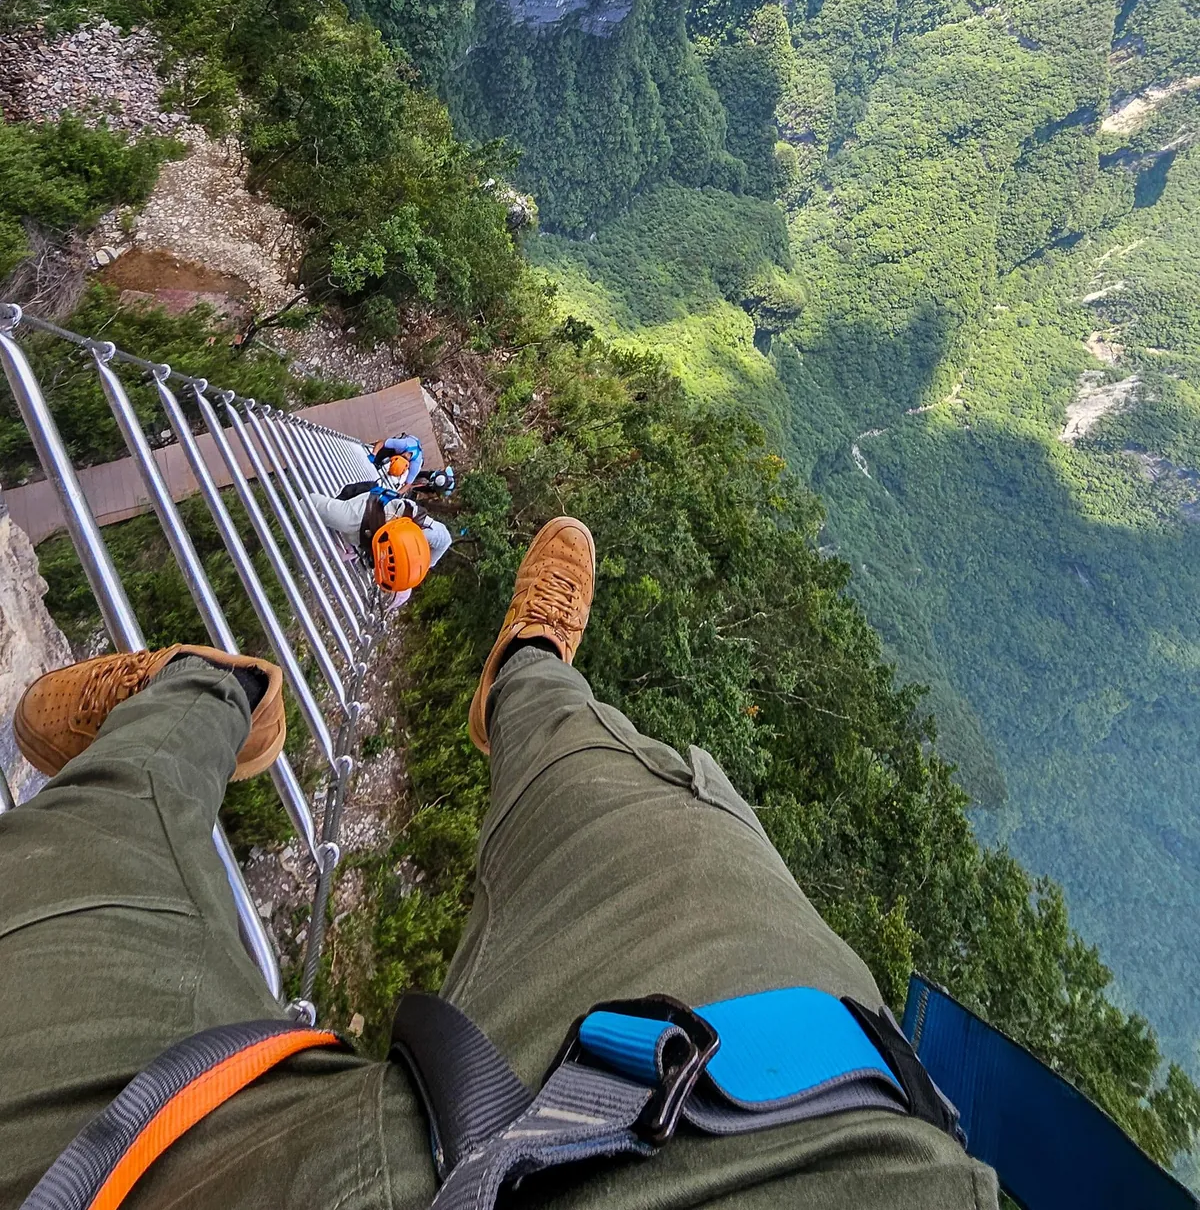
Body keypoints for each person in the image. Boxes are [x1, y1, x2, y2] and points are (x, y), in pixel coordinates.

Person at [0, 518, 1000, 1209]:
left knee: (98, 832)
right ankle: (527, 665)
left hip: (124, 1172)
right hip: (740, 1126)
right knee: (630, 798)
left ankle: (199, 690)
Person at [310, 434, 454, 599]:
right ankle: (350, 548)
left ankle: (350, 547)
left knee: (320, 510)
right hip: (371, 514)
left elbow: (407, 487)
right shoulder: (405, 447)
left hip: (380, 512)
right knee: (315, 508)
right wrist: (374, 457)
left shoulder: (431, 532)